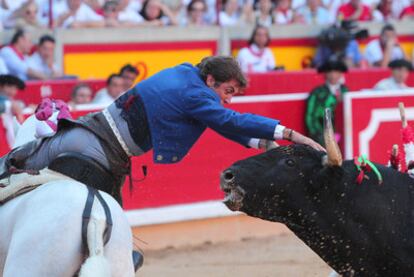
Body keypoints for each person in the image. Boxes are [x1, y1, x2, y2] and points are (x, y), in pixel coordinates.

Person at [0, 56, 324, 205]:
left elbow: (219, 120)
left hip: (99, 143)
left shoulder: (186, 73)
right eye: (227, 91)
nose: (227, 99)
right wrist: (289, 134)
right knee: (17, 163)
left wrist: (261, 141)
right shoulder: (196, 94)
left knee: (15, 165)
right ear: (211, 81)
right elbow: (229, 120)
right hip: (93, 144)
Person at [305, 59, 349, 146]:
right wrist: (320, 136)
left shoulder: (345, 91)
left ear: (341, 74)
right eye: (330, 72)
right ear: (325, 74)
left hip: (345, 135)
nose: (333, 75)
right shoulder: (317, 93)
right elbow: (310, 117)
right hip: (323, 135)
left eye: (336, 72)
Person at [0, 74, 25, 149]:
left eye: (15, 88)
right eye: (10, 87)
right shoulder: (8, 103)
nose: (12, 91)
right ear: (1, 86)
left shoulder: (14, 102)